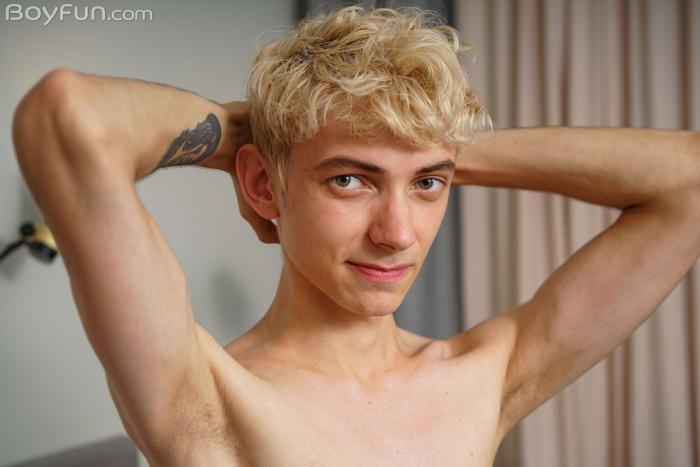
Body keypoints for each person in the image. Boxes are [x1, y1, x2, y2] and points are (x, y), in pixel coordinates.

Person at [12, 5, 700, 466]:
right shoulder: (210, 401)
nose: (398, 234)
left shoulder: (482, 375)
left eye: (428, 186)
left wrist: (441, 148)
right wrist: (250, 134)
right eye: (349, 180)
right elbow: (68, 118)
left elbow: (688, 179)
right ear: (262, 186)